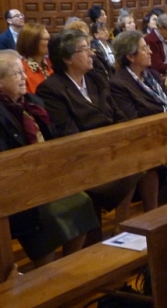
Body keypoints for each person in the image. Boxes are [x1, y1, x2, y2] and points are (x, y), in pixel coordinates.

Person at [0, 50, 98, 266]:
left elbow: (53, 137)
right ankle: (45, 273)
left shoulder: (32, 103)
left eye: (23, 72)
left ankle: (67, 265)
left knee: (81, 200)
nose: (24, 78)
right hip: (17, 187)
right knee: (49, 217)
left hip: (47, 175)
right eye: (17, 74)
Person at [36, 30, 140, 230]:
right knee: (130, 168)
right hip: (82, 156)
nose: (91, 53)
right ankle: (112, 231)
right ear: (67, 58)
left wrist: (125, 136)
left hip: (112, 147)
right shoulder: (52, 89)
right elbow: (67, 132)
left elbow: (117, 114)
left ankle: (123, 226)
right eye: (84, 49)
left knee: (140, 162)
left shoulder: (95, 79)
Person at [110, 30, 167, 210]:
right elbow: (132, 119)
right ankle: (152, 214)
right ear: (130, 57)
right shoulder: (119, 84)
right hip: (144, 138)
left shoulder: (153, 76)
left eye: (148, 47)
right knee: (149, 165)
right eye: (143, 48)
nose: (150, 52)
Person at [16, 22, 52, 94]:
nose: (50, 42)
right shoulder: (21, 69)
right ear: (32, 42)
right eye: (47, 39)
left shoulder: (51, 64)